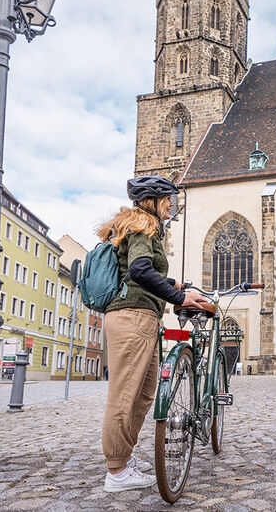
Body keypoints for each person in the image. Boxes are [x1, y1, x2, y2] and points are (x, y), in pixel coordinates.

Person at [96, 175, 213, 493]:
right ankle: (116, 470)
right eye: (167, 199)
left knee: (145, 391)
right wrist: (179, 298)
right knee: (124, 394)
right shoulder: (143, 224)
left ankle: (125, 456)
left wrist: (173, 285)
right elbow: (139, 270)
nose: (171, 204)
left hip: (143, 317)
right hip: (131, 317)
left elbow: (141, 271)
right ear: (152, 200)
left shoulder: (142, 225)